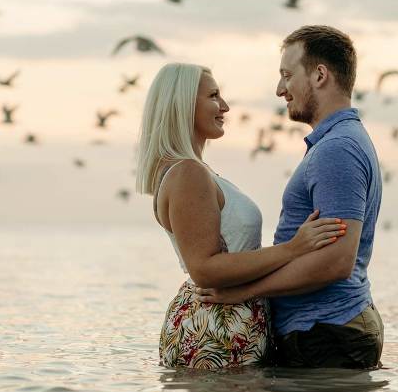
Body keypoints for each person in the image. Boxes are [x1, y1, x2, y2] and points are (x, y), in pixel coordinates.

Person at [135, 63, 348, 369]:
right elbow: (205, 269)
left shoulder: (195, 171)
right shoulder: (188, 174)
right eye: (213, 96)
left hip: (226, 321)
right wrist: (293, 248)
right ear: (182, 105)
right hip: (215, 326)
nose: (225, 106)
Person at [195, 26, 384, 370]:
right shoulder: (338, 143)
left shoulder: (337, 149)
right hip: (325, 330)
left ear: (320, 75)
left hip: (326, 332)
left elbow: (336, 261)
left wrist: (245, 292)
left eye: (286, 75)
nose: (280, 89)